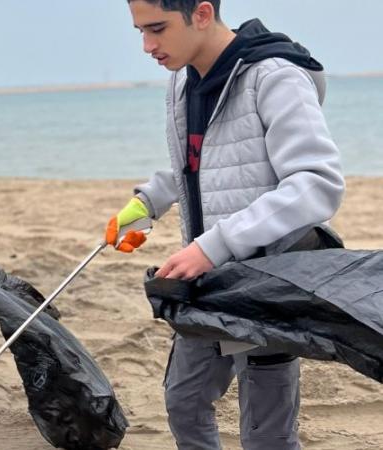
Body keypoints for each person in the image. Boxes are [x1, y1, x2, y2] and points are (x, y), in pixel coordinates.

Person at [107, 1, 345, 448]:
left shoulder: (275, 77)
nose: (146, 45)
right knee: (184, 401)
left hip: (266, 283)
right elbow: (206, 160)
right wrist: (150, 199)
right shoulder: (182, 79)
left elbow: (317, 184)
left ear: (201, 13)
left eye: (157, 28)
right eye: (139, 31)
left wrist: (215, 245)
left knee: (265, 432)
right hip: (205, 277)